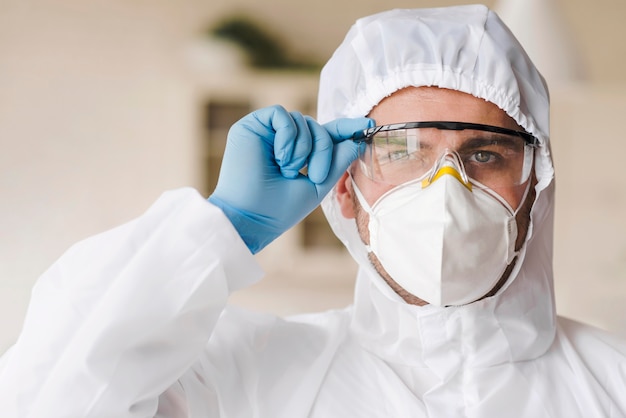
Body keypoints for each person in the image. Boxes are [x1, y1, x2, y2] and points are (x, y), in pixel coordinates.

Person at [1, 5, 625, 417]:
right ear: (346, 189)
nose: (446, 188)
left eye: (485, 153)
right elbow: (49, 398)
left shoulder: (611, 384)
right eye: (403, 149)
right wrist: (222, 228)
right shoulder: (244, 377)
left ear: (533, 186)